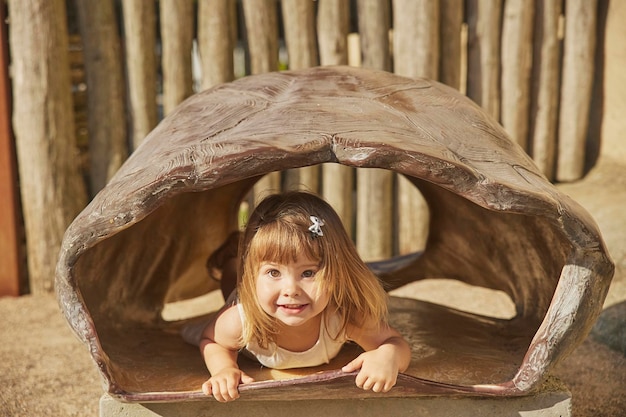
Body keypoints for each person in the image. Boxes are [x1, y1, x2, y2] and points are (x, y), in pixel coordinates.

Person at [183, 191, 411, 402]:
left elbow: (394, 342)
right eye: (274, 272)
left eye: (308, 273)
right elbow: (212, 340)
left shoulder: (343, 314)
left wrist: (388, 355)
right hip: (250, 301)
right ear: (253, 277)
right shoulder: (239, 319)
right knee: (230, 285)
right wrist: (224, 369)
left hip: (262, 294)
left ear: (338, 273)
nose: (291, 289)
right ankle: (232, 261)